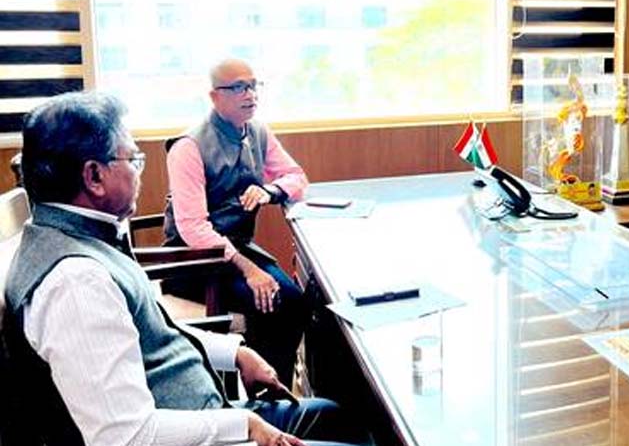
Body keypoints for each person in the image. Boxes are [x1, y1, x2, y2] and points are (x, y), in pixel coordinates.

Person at [3, 92, 368, 445]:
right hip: (191, 431)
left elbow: (148, 332)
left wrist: (234, 352)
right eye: (133, 159)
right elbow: (126, 438)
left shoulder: (82, 237)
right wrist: (244, 423)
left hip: (199, 410)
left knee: (339, 418)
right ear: (94, 177)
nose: (138, 171)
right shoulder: (75, 283)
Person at [163, 59, 308, 386]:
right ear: (215, 96)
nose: (250, 94)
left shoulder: (257, 131)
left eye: (253, 86)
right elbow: (193, 228)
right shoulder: (188, 146)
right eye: (239, 87)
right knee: (273, 302)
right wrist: (249, 270)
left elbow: (297, 177)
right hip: (193, 261)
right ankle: (262, 391)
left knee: (296, 301)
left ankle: (277, 390)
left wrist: (269, 191)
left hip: (237, 249)